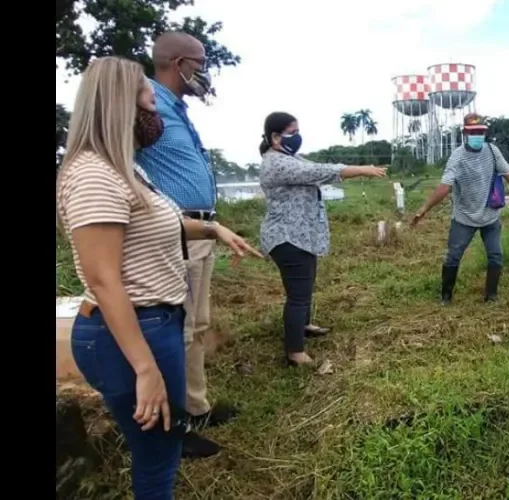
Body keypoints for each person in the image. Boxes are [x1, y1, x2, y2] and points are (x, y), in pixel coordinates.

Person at [56, 56, 262, 500]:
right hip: (129, 335)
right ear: (121, 105)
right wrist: (145, 369)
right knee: (157, 456)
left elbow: (155, 222)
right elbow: (104, 278)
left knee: (160, 447)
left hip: (153, 325)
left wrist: (211, 227)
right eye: (150, 101)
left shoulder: (125, 168)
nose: (156, 111)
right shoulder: (94, 175)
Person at [135, 32, 229, 458]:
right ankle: (176, 424)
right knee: (181, 328)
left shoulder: (176, 107)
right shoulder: (143, 103)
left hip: (201, 232)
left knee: (199, 325)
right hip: (176, 234)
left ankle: (196, 405)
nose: (204, 72)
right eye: (200, 62)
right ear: (177, 63)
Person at [258, 112, 387, 367]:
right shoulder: (277, 163)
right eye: (291, 132)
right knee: (298, 294)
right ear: (275, 137)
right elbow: (318, 171)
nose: (297, 137)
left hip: (299, 236)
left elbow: (311, 169)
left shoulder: (287, 157)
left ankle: (303, 324)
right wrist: (361, 169)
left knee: (303, 288)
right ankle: (294, 352)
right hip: (288, 237)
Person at [411, 113, 509, 304]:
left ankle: (491, 296)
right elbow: (444, 187)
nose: (477, 135)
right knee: (453, 256)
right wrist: (424, 208)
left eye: (480, 131)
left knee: (496, 255)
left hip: (490, 215)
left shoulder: (492, 151)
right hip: (464, 217)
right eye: (473, 132)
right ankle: (446, 297)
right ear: (465, 133)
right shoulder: (457, 157)